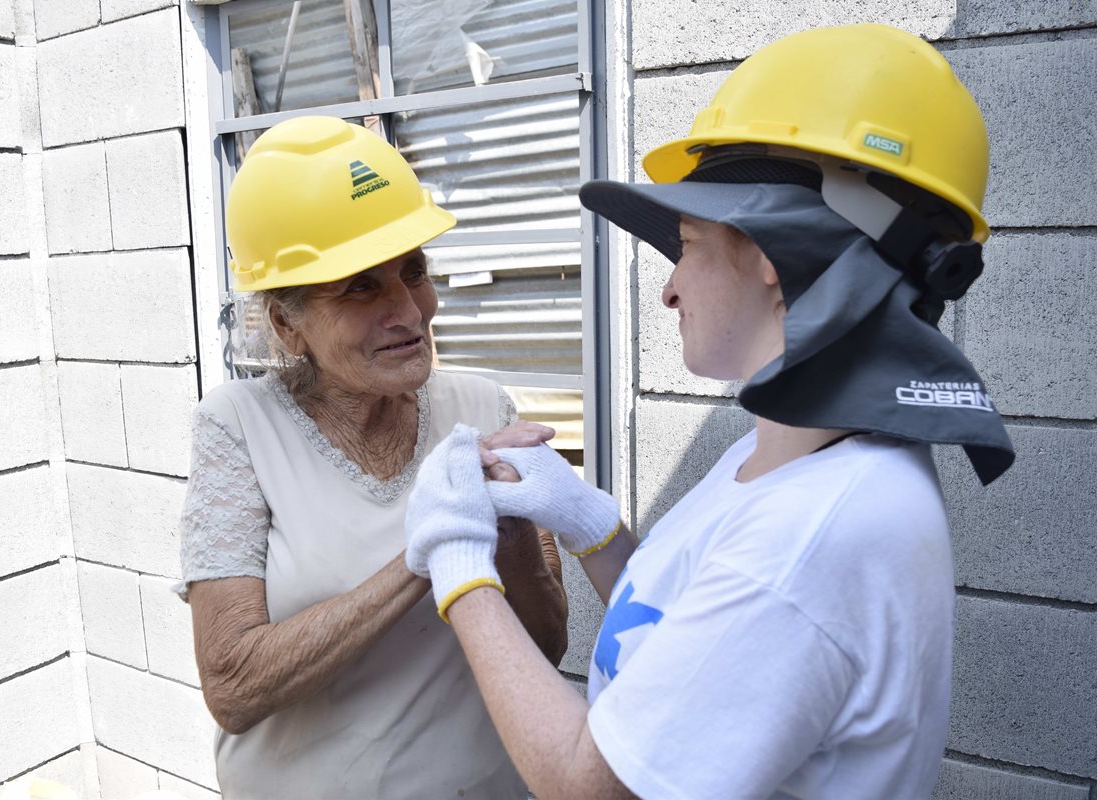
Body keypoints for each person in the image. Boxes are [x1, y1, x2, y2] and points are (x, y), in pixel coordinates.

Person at [403, 23, 1016, 799]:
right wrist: (587, 522)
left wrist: (458, 561)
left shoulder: (814, 533)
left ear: (769, 250)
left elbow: (589, 784)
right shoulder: (791, 458)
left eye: (687, 240)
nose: (668, 287)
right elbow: (689, 634)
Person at [177, 115, 568, 799]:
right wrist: (428, 550)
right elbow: (233, 685)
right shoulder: (237, 431)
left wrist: (509, 535)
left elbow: (548, 645)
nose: (409, 311)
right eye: (360, 285)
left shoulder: (483, 412)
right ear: (286, 323)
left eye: (413, 271)